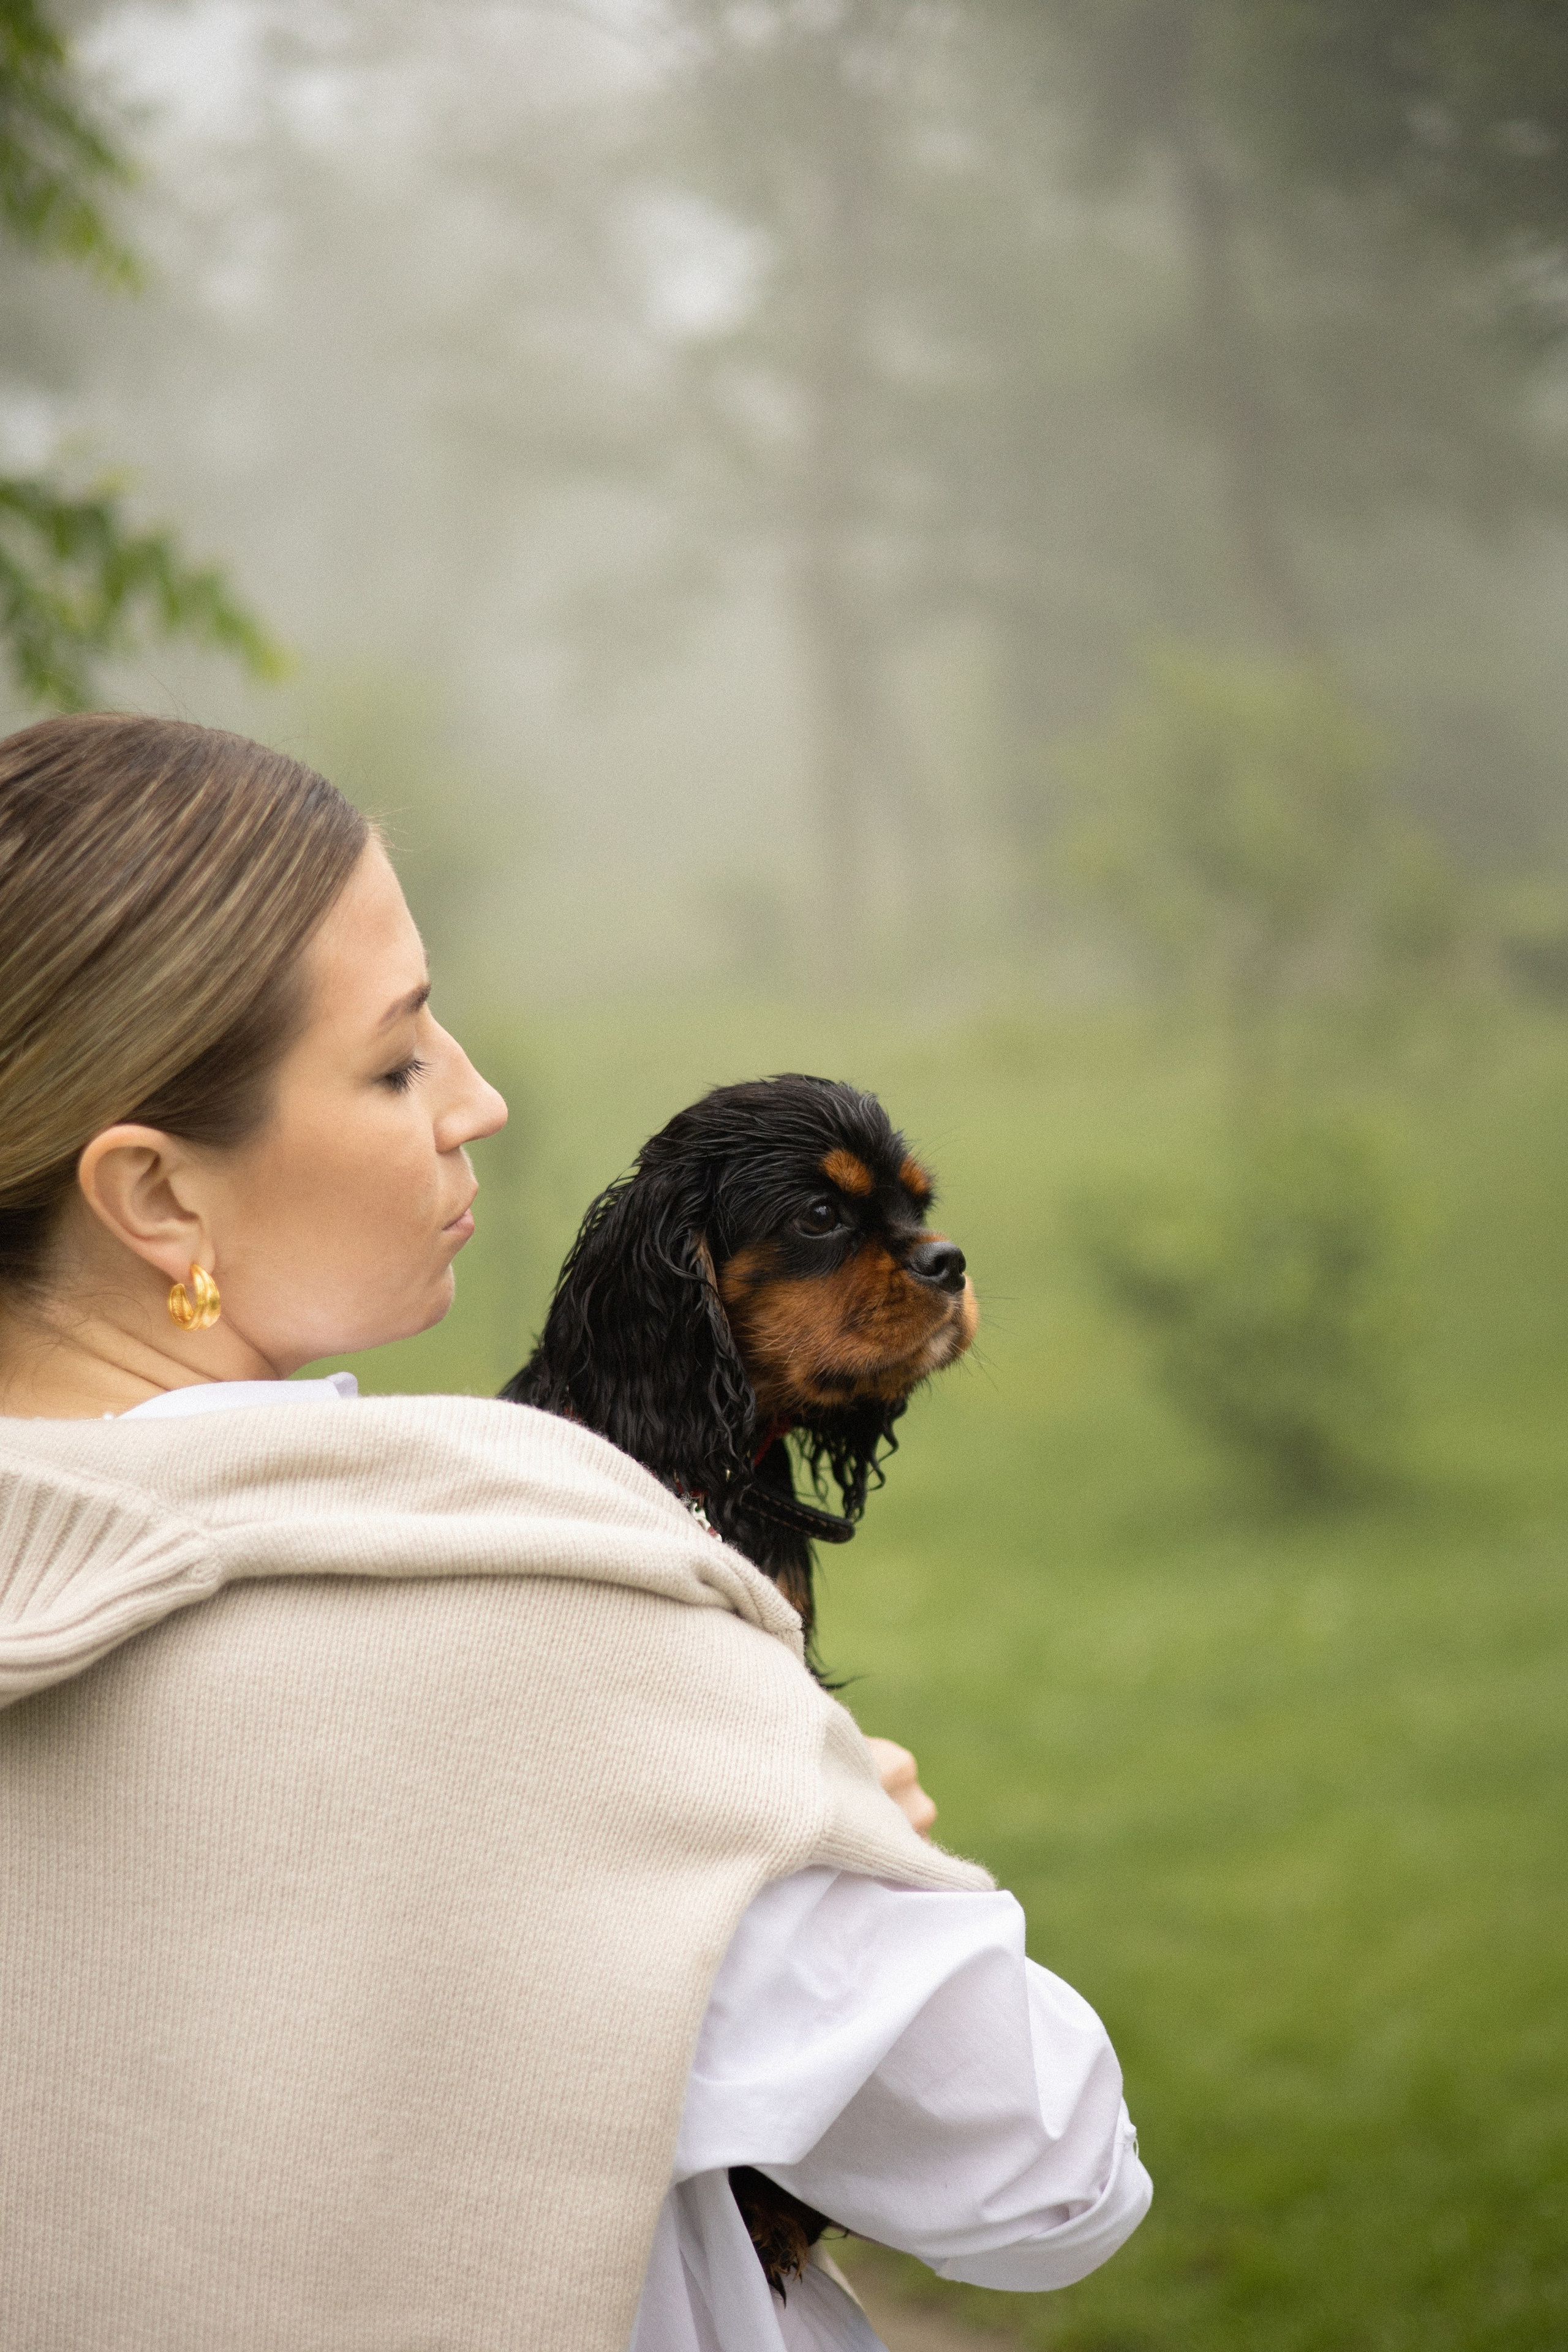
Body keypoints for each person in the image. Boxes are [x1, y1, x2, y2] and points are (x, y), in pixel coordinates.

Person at [0, 713, 1150, 2352]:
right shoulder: (545, 1608)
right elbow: (1046, 2177)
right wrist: (826, 1819)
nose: (478, 1097)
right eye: (397, 1060)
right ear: (160, 1198)